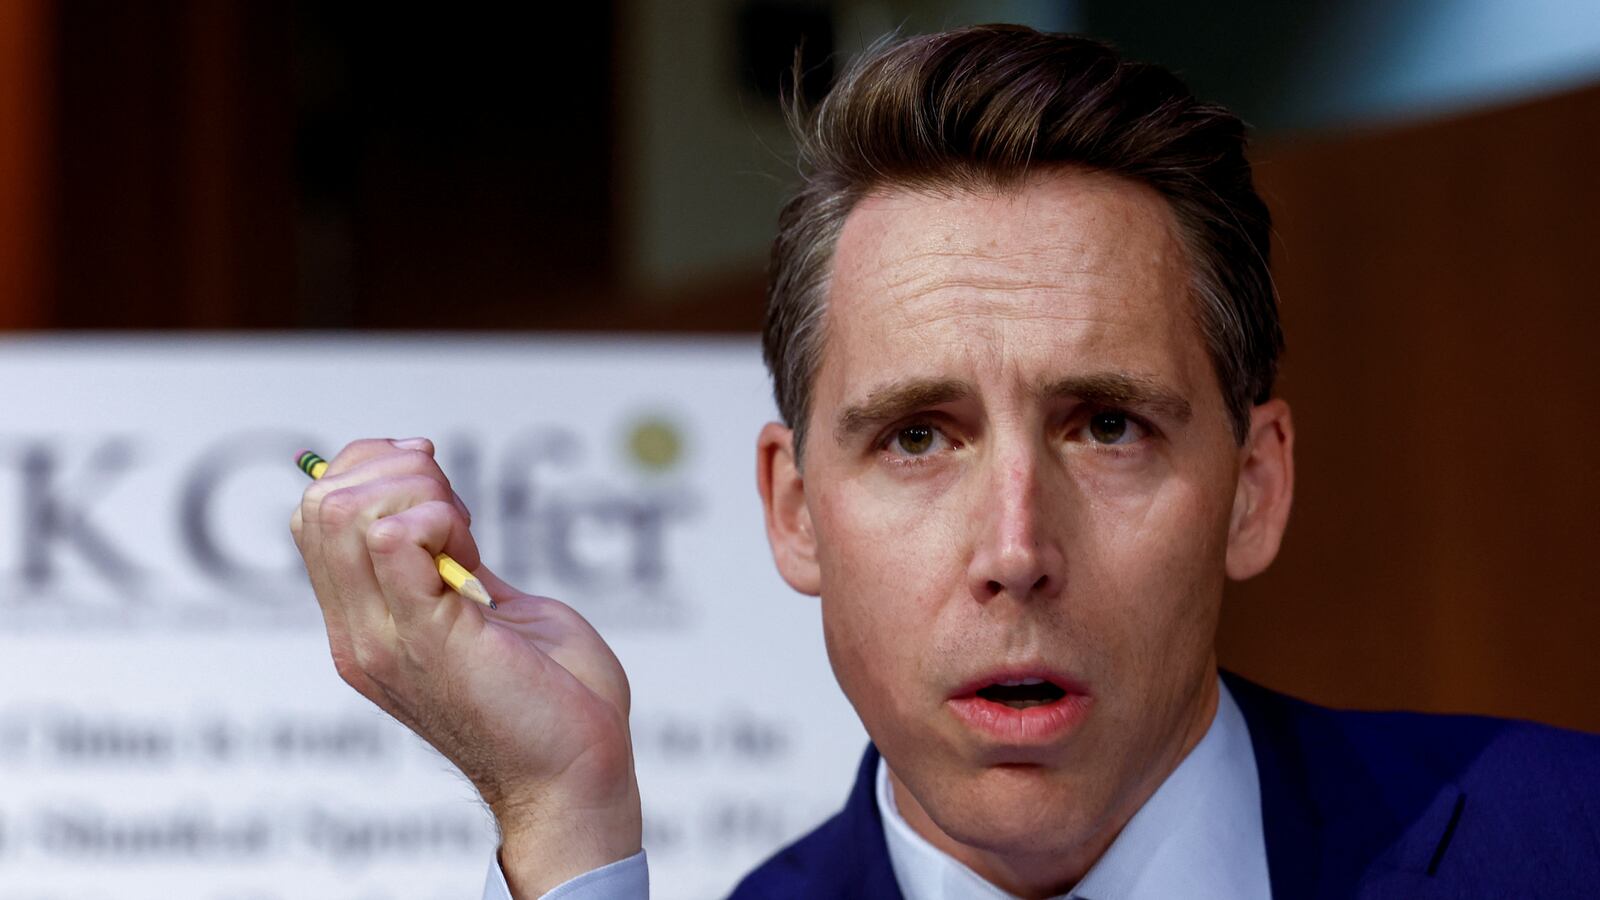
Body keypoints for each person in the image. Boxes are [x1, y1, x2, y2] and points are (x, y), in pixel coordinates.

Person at [290, 25, 1600, 900]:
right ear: (794, 510)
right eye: (919, 437)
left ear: (1255, 486)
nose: (1017, 550)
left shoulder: (1563, 840)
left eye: (1107, 426)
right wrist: (562, 807)